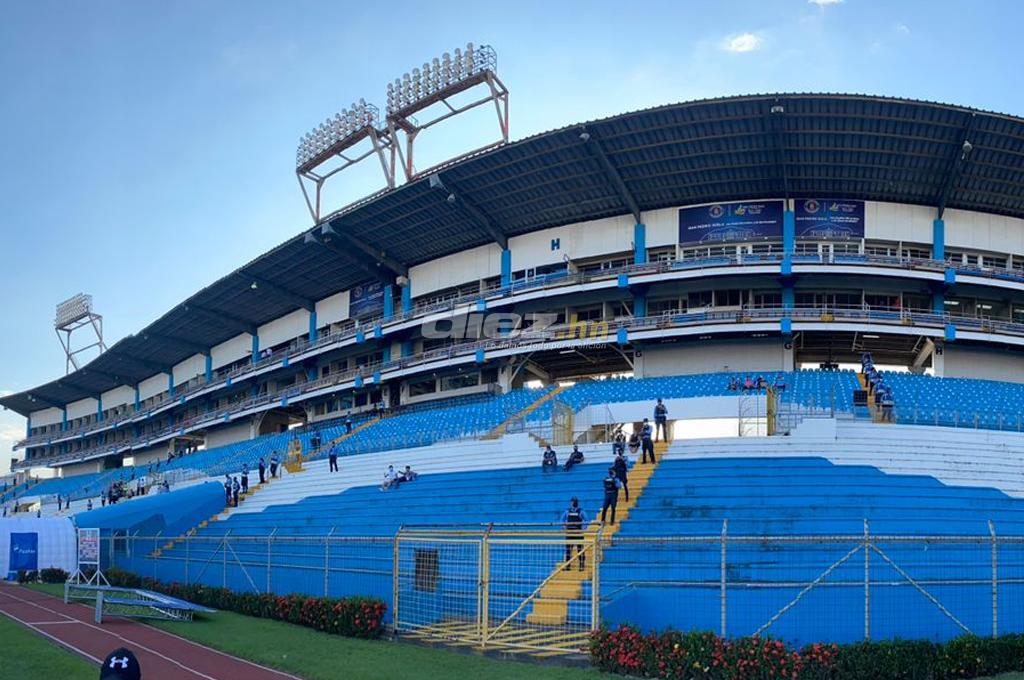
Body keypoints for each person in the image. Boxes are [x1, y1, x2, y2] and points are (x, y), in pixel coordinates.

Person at [561, 497, 588, 572]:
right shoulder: (567, 511)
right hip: (570, 533)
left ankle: (581, 565)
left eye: (575, 501)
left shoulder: (581, 511)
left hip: (578, 533)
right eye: (573, 501)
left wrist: (583, 529)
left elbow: (586, 520)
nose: (574, 503)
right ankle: (567, 566)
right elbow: (562, 519)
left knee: (580, 550)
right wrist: (564, 527)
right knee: (568, 550)